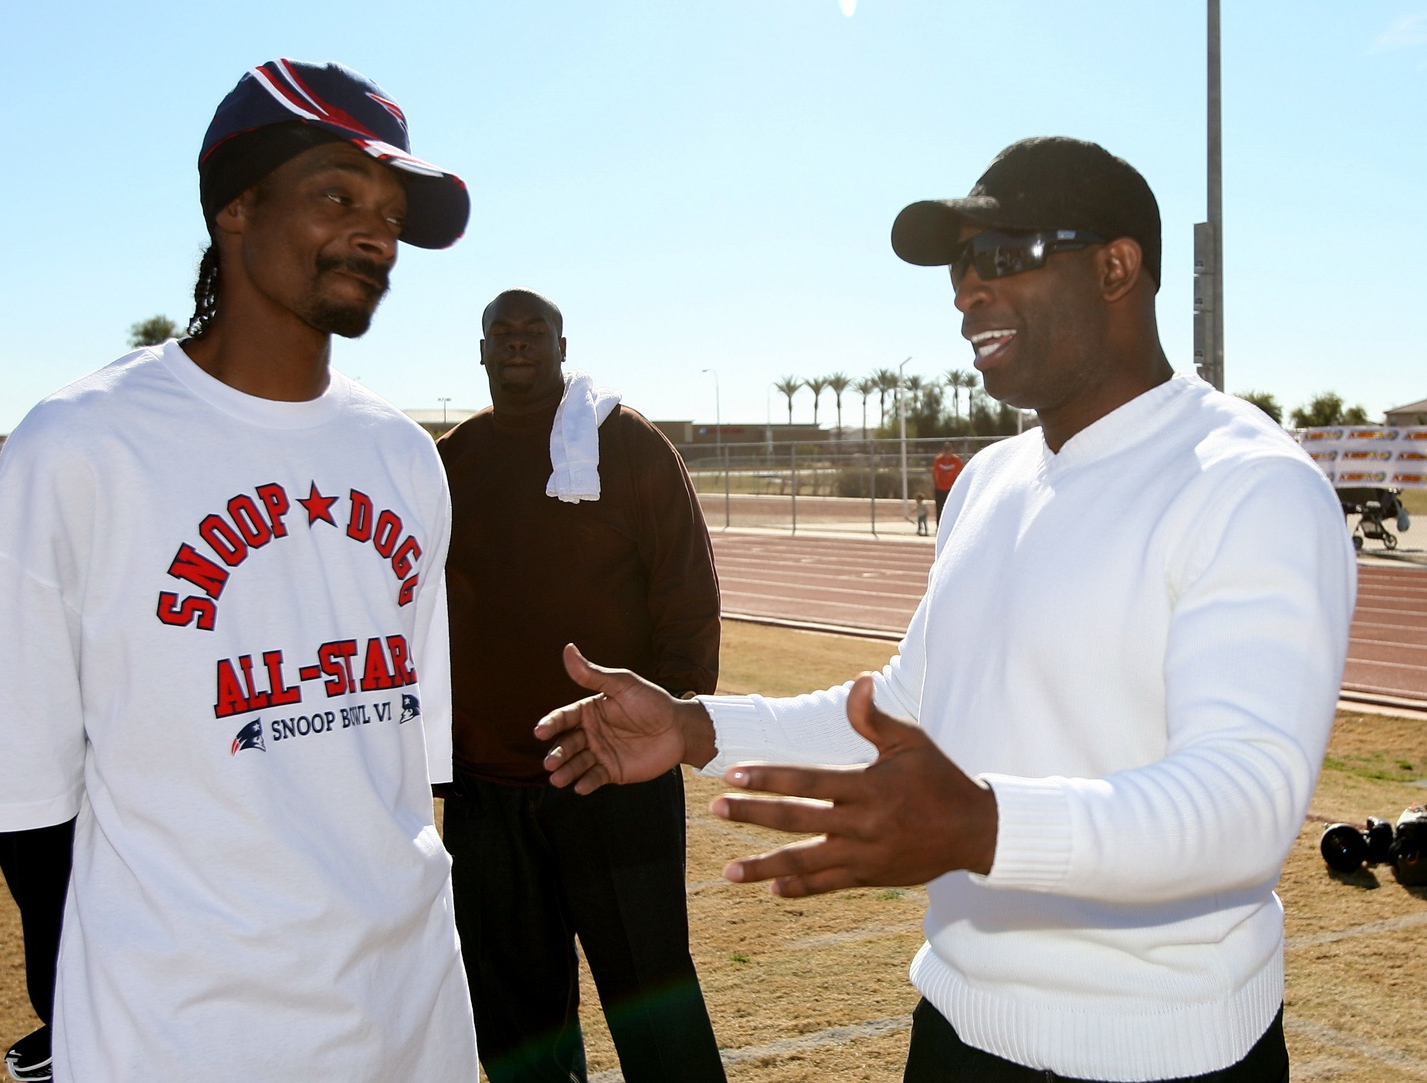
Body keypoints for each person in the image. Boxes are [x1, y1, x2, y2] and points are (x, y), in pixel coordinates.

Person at [534, 137, 1356, 1082]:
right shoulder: (991, 479)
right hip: (957, 1031)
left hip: (1166, 1056)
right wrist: (694, 725)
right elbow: (904, 711)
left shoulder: (1249, 484)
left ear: (1116, 267)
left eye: (1002, 257)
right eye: (960, 269)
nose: (967, 290)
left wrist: (983, 825)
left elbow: (1244, 806)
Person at [0, 59, 478, 1081]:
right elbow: (25, 797)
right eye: (337, 194)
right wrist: (84, 1011)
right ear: (236, 207)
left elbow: (405, 754)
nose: (374, 231)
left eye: (391, 213)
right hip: (185, 1032)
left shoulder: (402, 457)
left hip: (408, 1017)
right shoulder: (80, 445)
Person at [435, 288, 727, 1083]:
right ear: (483, 349)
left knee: (655, 1002)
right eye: (503, 330)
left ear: (564, 346)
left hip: (612, 780)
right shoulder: (453, 459)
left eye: (536, 330)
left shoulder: (624, 444)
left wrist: (667, 714)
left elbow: (689, 594)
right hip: (489, 796)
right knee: (518, 1030)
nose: (519, 341)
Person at [931, 441, 963, 531]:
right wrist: (935, 484)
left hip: (951, 488)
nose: (947, 453)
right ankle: (939, 527)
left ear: (952, 450)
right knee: (940, 508)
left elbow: (961, 472)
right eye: (945, 451)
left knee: (952, 507)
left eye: (949, 450)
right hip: (940, 488)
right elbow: (934, 472)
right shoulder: (938, 460)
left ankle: (952, 526)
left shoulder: (956, 460)